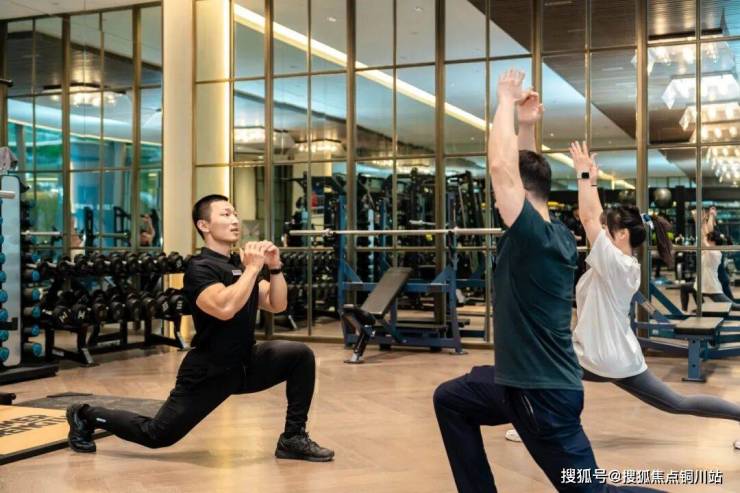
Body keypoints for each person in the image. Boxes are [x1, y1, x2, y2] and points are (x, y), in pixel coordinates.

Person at [432, 69, 663, 493]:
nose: (499, 196)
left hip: (543, 395)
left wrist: (505, 99)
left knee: (592, 491)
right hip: (517, 381)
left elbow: (503, 167)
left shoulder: (532, 235)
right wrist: (526, 127)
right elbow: (525, 172)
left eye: (504, 192)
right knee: (451, 399)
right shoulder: (552, 231)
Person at [504, 142, 740, 451]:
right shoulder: (619, 262)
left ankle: (532, 426)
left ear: (622, 235)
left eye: (608, 230)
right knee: (676, 403)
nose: (601, 232)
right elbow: (595, 216)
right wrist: (591, 182)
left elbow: (590, 218)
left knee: (538, 364)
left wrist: (583, 174)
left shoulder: (617, 263)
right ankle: (533, 425)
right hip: (612, 357)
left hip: (600, 357)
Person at [66, 194, 334, 462]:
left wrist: (274, 268)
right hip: (210, 370)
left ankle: (293, 438)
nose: (235, 220)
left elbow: (277, 304)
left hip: (245, 363)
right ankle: (85, 414)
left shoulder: (237, 264)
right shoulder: (200, 268)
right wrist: (253, 269)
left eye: (235, 213)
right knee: (157, 435)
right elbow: (224, 308)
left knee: (299, 355)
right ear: (204, 225)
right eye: (225, 214)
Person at [680, 208, 740, 311]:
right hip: (701, 284)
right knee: (685, 288)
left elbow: (703, 236)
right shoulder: (709, 249)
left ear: (713, 242)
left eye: (709, 239)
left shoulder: (714, 252)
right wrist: (702, 221)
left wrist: (699, 221)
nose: (707, 239)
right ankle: (687, 311)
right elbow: (706, 235)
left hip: (710, 287)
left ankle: (702, 310)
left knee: (734, 306)